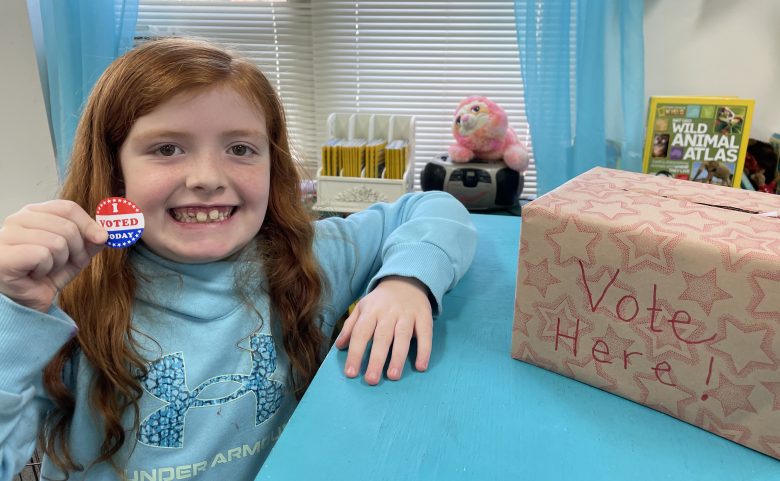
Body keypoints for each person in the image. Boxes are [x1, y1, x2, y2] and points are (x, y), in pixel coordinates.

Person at [0, 38, 476, 480]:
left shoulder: (309, 258)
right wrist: (12, 310)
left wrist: (405, 282)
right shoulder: (58, 302)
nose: (208, 177)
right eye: (167, 149)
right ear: (115, 172)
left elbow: (432, 207)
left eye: (240, 149)